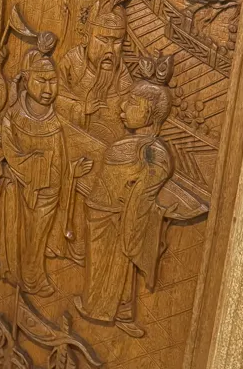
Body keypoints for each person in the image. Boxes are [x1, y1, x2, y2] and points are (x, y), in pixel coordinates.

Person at [74, 55, 175, 338]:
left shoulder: (151, 150)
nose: (122, 106)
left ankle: (106, 309)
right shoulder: (130, 145)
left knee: (115, 267)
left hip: (115, 217)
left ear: (150, 114)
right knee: (103, 266)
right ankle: (111, 307)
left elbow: (152, 179)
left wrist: (131, 200)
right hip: (101, 212)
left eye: (132, 103)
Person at [0, 36, 91, 296]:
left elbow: (61, 163)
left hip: (48, 193)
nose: (49, 88)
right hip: (21, 187)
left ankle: (33, 273)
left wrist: (72, 174)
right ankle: (15, 269)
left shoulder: (55, 123)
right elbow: (11, 152)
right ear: (26, 80)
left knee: (38, 235)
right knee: (19, 230)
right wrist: (31, 170)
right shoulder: (13, 116)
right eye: (42, 80)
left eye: (53, 81)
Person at [57, 0, 133, 142]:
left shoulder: (121, 72)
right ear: (87, 38)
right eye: (103, 40)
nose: (110, 50)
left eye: (117, 42)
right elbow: (54, 96)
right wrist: (81, 108)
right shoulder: (72, 61)